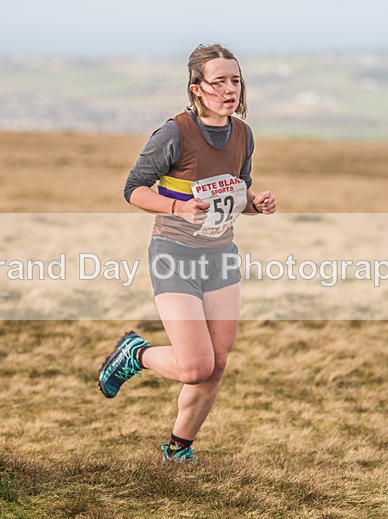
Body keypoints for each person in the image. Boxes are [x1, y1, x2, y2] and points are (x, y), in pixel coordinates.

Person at [98, 43, 277, 462]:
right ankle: (136, 353)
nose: (229, 90)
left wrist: (256, 204)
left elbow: (237, 194)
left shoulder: (243, 134)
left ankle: (179, 449)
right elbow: (133, 189)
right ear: (196, 87)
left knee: (217, 361)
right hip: (174, 253)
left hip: (221, 255)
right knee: (196, 366)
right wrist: (177, 207)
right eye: (219, 82)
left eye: (235, 81)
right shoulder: (174, 133)